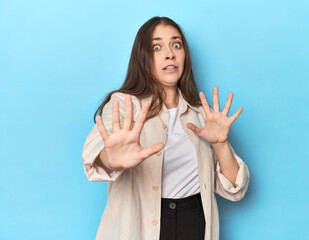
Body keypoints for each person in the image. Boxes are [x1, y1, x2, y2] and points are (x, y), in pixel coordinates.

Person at [82, 16, 250, 240]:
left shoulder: (203, 115)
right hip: (140, 225)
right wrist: (111, 158)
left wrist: (220, 144)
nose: (169, 53)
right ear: (142, 57)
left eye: (176, 44)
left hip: (194, 221)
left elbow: (235, 190)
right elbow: (97, 154)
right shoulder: (123, 105)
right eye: (157, 47)